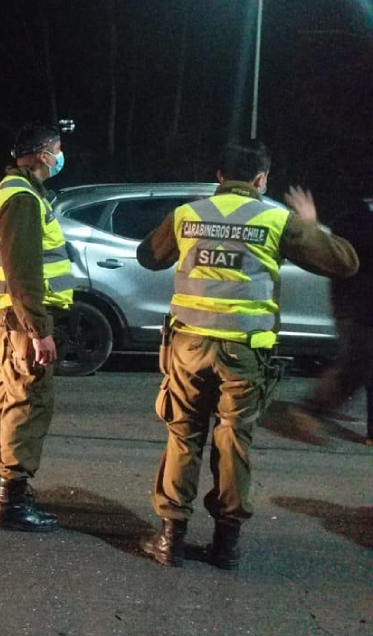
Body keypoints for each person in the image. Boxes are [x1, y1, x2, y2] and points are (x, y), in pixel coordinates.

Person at [135, 141, 358, 569]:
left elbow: (148, 257)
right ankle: (225, 547)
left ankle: (170, 541)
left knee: (183, 437)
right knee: (234, 442)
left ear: (220, 176)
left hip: (188, 348)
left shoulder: (188, 214)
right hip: (244, 353)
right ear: (261, 179)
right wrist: (312, 225)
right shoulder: (276, 219)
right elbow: (345, 262)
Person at [0, 124, 75, 533]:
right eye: (56, 150)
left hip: (8, 316)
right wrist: (39, 329)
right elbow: (23, 271)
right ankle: (12, 501)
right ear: (37, 155)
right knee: (28, 402)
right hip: (22, 319)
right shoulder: (23, 198)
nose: (59, 156)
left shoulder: (10, 192)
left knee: (5, 396)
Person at [296, 193, 373, 447]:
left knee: (359, 367)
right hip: (355, 309)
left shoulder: (352, 220)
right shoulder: (353, 221)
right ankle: (307, 413)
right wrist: (311, 225)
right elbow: (335, 258)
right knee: (354, 368)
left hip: (357, 308)